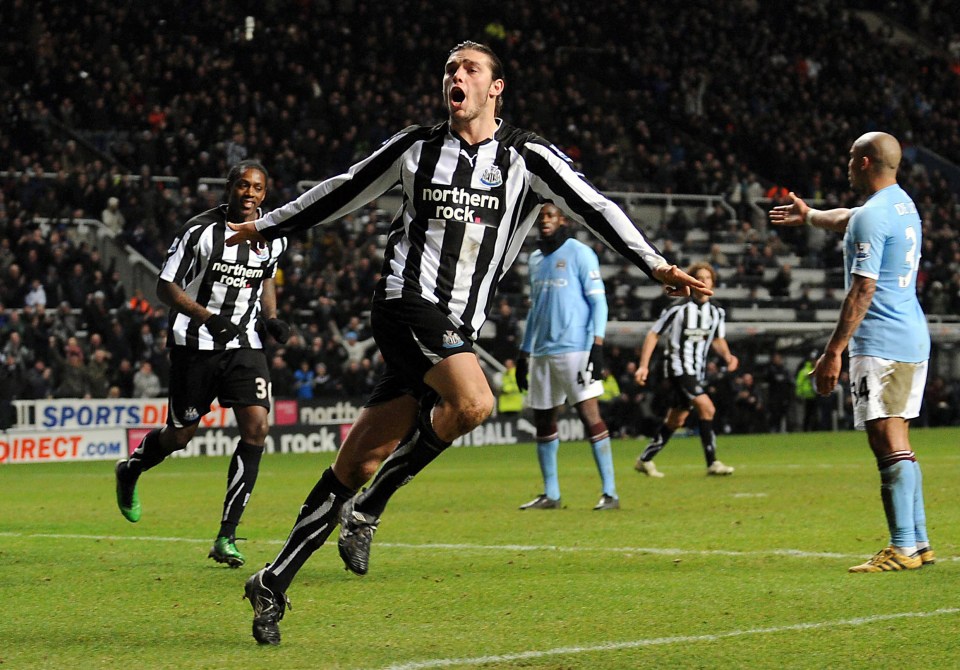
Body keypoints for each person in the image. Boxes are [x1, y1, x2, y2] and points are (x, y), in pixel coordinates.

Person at [227, 41, 708, 646]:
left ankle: (273, 579)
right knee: (475, 403)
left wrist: (655, 264)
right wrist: (267, 226)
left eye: (469, 68)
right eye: (450, 69)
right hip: (405, 305)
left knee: (356, 462)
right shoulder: (416, 147)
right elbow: (341, 190)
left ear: (495, 87)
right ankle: (371, 511)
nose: (456, 76)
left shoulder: (528, 158)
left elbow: (596, 207)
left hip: (457, 327)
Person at [769, 131, 934, 574]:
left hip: (881, 341)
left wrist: (833, 352)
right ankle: (918, 542)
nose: (844, 164)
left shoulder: (872, 216)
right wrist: (809, 217)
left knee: (885, 437)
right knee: (897, 438)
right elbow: (852, 218)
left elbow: (863, 289)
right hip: (911, 334)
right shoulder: (902, 205)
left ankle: (902, 547)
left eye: (849, 157)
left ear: (864, 162)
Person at [113, 161, 290, 570]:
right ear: (229, 188)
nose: (250, 193)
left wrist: (271, 315)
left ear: (265, 194)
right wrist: (206, 317)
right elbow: (165, 286)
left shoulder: (274, 233)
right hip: (195, 343)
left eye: (258, 188)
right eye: (243, 185)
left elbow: (265, 278)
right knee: (180, 436)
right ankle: (131, 469)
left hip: (245, 343)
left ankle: (227, 535)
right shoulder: (200, 231)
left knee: (257, 426)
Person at [515, 204, 619, 511]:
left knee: (590, 416)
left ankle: (610, 492)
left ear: (563, 220)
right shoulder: (535, 259)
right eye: (541, 216)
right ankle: (552, 493)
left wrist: (596, 346)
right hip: (543, 352)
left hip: (576, 348)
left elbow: (599, 304)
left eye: (550, 216)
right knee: (544, 419)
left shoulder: (580, 253)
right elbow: (535, 309)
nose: (544, 221)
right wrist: (524, 351)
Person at [633, 262, 738, 477]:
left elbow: (717, 339)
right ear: (691, 282)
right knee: (707, 408)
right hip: (678, 367)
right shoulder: (678, 308)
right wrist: (643, 366)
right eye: (699, 278)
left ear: (713, 283)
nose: (703, 282)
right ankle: (712, 462)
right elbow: (654, 334)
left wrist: (728, 356)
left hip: (697, 370)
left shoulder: (717, 311)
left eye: (707, 278)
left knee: (677, 419)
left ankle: (645, 459)